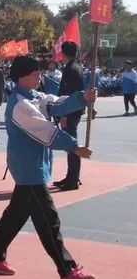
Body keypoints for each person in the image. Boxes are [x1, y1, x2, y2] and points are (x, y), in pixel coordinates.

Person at [0, 54, 96, 279]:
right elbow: (45, 132)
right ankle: (68, 271)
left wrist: (81, 98)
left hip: (34, 165)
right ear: (22, 77)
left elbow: (57, 103)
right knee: (48, 220)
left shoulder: (35, 96)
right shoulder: (20, 105)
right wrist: (73, 146)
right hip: (28, 168)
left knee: (17, 214)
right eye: (35, 73)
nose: (39, 76)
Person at [53, 41, 85, 191]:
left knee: (71, 145)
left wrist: (65, 114)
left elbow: (71, 95)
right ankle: (71, 176)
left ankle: (73, 179)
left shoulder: (72, 69)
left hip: (70, 112)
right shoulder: (72, 68)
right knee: (70, 145)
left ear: (64, 53)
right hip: (71, 110)